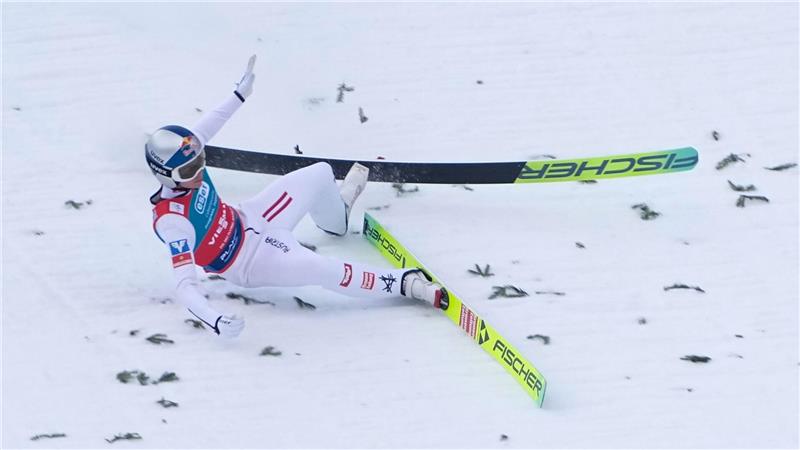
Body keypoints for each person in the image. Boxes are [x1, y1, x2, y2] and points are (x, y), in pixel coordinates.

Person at [146, 55, 446, 338]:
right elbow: (185, 285)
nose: (199, 171)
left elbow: (211, 124)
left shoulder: (187, 153)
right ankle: (406, 284)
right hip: (249, 261)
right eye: (189, 170)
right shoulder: (173, 222)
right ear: (166, 175)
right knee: (320, 268)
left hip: (253, 216)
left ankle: (336, 220)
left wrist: (240, 94)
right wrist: (213, 320)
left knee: (321, 173)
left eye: (200, 160)